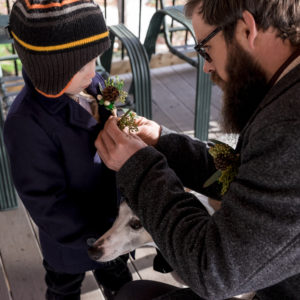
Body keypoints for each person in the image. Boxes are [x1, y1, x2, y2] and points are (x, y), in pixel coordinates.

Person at [94, 0, 300, 299]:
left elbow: (212, 271)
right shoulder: (285, 93)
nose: (207, 66)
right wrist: (162, 142)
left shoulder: (290, 124)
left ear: (246, 29)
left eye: (205, 48)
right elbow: (253, 178)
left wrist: (139, 167)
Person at [3, 0, 132, 299]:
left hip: (113, 217)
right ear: (52, 70)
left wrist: (125, 117)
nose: (94, 71)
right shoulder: (25, 123)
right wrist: (92, 237)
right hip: (72, 239)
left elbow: (118, 99)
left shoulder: (91, 81)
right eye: (84, 64)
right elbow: (45, 201)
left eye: (95, 60)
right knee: (63, 286)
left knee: (119, 277)